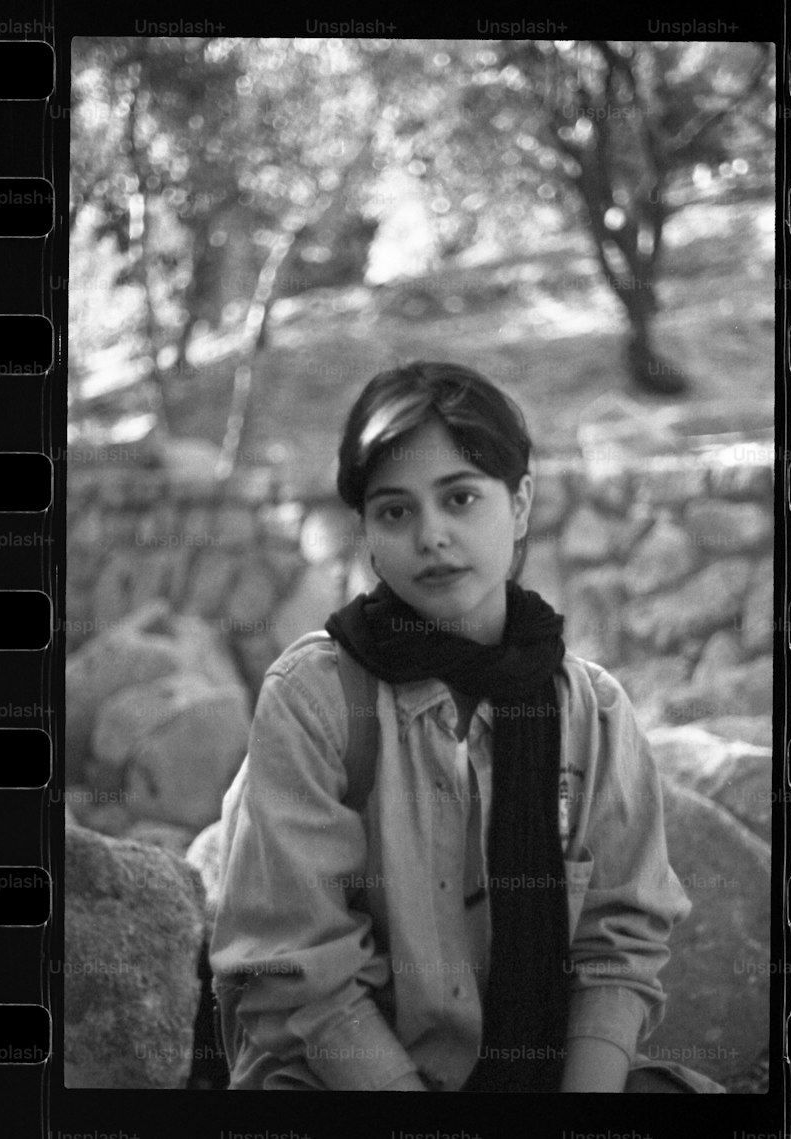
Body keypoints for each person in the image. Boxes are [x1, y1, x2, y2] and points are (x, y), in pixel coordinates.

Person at [209, 360, 725, 1093]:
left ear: (519, 505)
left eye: (459, 498)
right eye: (396, 511)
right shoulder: (316, 699)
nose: (432, 535)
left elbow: (619, 940)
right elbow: (298, 967)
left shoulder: (593, 712)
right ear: (365, 532)